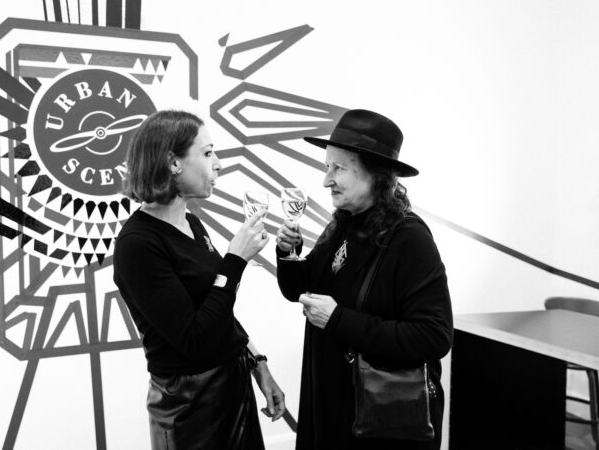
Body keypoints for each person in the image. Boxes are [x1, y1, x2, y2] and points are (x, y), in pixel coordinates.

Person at [275, 109, 453, 450]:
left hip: (379, 426)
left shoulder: (409, 238)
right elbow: (298, 290)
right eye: (327, 167)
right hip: (334, 413)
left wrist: (338, 319)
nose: (326, 180)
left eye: (338, 168)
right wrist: (288, 254)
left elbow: (433, 337)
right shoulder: (343, 224)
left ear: (375, 174)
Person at [113, 109, 285, 450]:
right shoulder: (138, 244)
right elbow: (195, 338)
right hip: (188, 407)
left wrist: (257, 362)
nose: (218, 164)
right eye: (207, 153)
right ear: (173, 163)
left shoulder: (192, 223)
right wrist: (235, 261)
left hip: (232, 388)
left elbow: (215, 308)